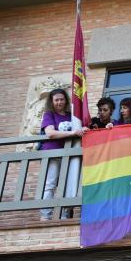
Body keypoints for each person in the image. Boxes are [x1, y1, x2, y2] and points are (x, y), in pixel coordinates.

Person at [39, 88, 88, 221]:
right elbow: (50, 133)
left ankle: (64, 215)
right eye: (56, 100)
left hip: (70, 154)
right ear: (52, 101)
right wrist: (73, 133)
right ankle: (46, 216)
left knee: (68, 184)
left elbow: (80, 129)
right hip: (53, 153)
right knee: (50, 184)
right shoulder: (49, 114)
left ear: (66, 100)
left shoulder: (71, 116)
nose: (59, 102)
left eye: (62, 99)